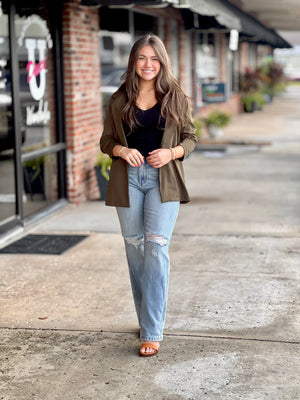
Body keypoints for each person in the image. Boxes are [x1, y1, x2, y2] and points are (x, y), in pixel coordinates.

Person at [100, 33, 197, 357]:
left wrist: (172, 153)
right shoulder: (118, 99)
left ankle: (152, 331)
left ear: (162, 62)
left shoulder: (175, 96)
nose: (148, 64)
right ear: (133, 61)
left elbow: (191, 138)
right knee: (136, 249)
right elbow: (106, 141)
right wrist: (121, 149)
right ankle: (146, 318)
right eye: (142, 58)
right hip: (127, 179)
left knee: (156, 248)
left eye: (154, 59)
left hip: (162, 180)